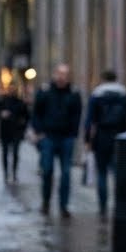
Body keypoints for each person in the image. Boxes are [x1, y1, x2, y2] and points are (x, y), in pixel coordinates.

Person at [82, 70, 126, 217]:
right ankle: (121, 205)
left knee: (102, 173)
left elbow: (89, 121)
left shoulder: (96, 95)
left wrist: (87, 140)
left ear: (102, 79)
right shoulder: (125, 95)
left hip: (102, 136)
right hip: (121, 136)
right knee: (118, 172)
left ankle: (103, 207)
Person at [30, 64, 83, 217]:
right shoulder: (45, 91)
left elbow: (77, 115)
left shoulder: (73, 93)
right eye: (59, 73)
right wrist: (38, 132)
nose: (61, 77)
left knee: (66, 173)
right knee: (47, 170)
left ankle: (63, 205)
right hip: (48, 136)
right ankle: (46, 201)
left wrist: (73, 134)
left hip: (66, 138)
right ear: (54, 74)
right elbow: (36, 112)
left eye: (65, 74)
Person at [0, 84, 30, 183]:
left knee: (15, 153)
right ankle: (6, 173)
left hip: (16, 131)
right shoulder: (2, 101)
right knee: (5, 153)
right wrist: (2, 114)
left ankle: (14, 173)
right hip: (5, 131)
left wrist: (22, 126)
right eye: (10, 89)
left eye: (14, 89)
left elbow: (26, 116)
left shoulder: (20, 102)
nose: (12, 91)